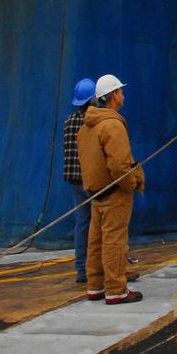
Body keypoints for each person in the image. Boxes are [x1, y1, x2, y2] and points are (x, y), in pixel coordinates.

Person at [77, 73, 145, 304]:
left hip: (95, 193)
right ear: (113, 95)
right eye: (121, 91)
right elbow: (120, 165)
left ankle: (95, 286)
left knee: (95, 241)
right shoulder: (112, 125)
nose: (123, 95)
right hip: (115, 193)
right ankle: (116, 289)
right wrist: (131, 184)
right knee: (114, 241)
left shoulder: (86, 126)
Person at [62, 77, 96, 283]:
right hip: (91, 179)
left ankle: (81, 269)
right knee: (100, 223)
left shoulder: (68, 121)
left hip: (73, 178)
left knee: (82, 223)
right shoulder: (92, 121)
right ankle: (97, 268)